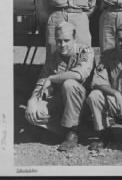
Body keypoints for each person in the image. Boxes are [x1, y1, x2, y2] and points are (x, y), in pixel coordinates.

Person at [24, 22, 94, 151]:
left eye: (66, 40)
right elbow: (41, 81)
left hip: (84, 104)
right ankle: (69, 130)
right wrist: (32, 100)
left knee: (69, 84)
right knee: (32, 114)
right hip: (62, 102)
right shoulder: (53, 57)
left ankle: (72, 133)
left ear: (74, 39)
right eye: (59, 41)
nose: (62, 45)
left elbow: (79, 74)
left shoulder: (85, 51)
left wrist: (52, 78)